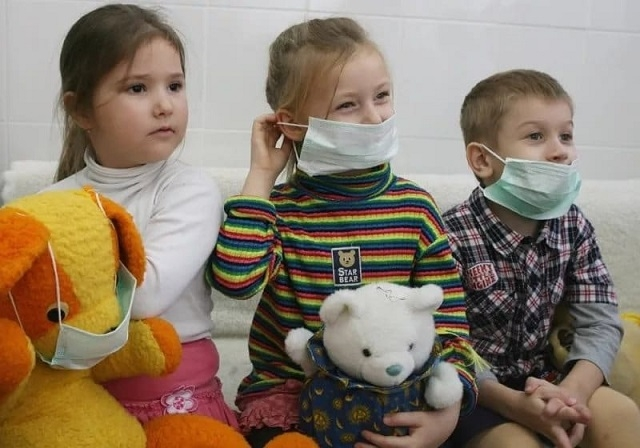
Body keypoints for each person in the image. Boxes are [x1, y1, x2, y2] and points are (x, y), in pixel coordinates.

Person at [207, 16, 479, 448]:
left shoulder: (415, 208)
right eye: (348, 105)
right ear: (292, 125)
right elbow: (235, 282)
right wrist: (261, 175)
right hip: (289, 400)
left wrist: (446, 412)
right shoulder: (278, 210)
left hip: (394, 395)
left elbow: (448, 323)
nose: (374, 117)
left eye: (382, 96)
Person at [45, 3, 238, 429]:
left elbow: (145, 296)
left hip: (179, 405)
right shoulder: (52, 202)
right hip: (81, 405)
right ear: (82, 110)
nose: (164, 105)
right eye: (137, 88)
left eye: (175, 85)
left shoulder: (189, 189)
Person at [443, 68, 640, 448]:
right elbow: (446, 345)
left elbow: (599, 321)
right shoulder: (450, 236)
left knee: (622, 414)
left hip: (549, 379)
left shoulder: (573, 225)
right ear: (482, 160)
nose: (560, 150)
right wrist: (515, 405)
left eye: (566, 135)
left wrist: (572, 393)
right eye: (536, 136)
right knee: (514, 444)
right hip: (477, 392)